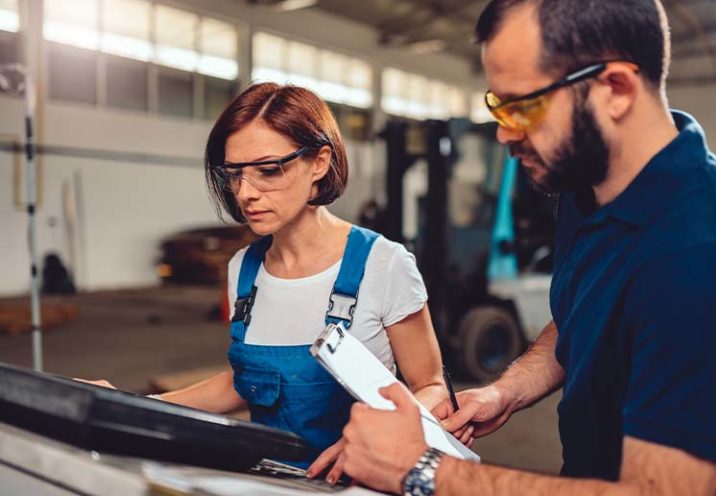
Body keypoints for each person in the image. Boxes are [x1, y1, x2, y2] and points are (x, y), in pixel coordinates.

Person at [336, 0, 716, 495]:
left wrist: (424, 470)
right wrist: (505, 391)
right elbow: (578, 322)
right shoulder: (585, 189)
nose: (504, 134)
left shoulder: (708, 247)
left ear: (616, 89)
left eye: (524, 106)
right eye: (498, 106)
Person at [87, 82, 448, 479]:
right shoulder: (243, 269)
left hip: (362, 484)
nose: (246, 193)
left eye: (268, 170)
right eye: (235, 174)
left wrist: (377, 439)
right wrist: (132, 404)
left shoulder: (383, 264)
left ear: (319, 162)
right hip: (269, 482)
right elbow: (245, 385)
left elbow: (430, 387)